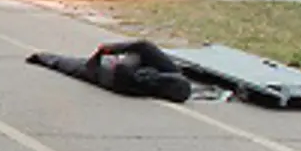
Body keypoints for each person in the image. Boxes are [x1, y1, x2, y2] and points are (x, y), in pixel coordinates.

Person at [26, 40, 194, 103]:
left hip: (119, 76)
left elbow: (70, 65)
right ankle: (43, 57)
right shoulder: (170, 77)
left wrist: (108, 51)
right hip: (141, 75)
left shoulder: (120, 76)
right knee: (75, 66)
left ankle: (42, 57)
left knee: (74, 66)